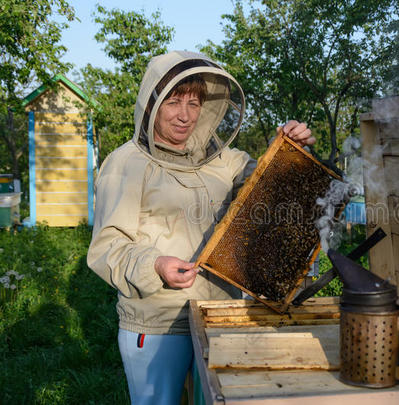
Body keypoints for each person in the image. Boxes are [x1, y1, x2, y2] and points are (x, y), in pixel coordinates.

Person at [87, 51, 315, 404]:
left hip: (221, 315)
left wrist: (288, 145)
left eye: (194, 103)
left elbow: (264, 182)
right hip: (159, 322)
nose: (184, 115)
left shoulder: (223, 161)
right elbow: (107, 247)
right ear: (151, 104)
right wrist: (155, 265)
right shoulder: (125, 163)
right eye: (173, 101)